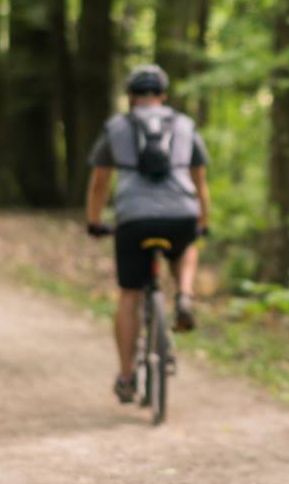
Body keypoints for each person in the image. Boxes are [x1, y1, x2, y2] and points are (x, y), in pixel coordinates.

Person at [84, 63, 212, 404]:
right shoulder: (185, 126)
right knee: (188, 245)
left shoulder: (116, 128)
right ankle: (184, 293)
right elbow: (200, 183)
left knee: (129, 294)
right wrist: (204, 221)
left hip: (133, 218)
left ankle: (127, 377)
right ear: (163, 95)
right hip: (180, 214)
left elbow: (100, 183)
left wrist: (94, 222)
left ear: (130, 97)